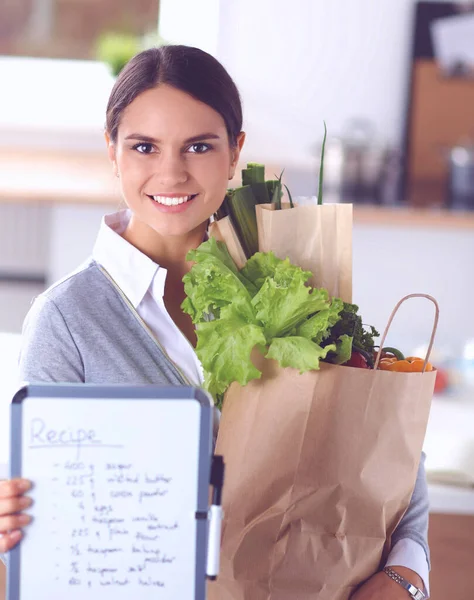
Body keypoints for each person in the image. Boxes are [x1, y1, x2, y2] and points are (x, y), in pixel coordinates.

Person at [0, 45, 430, 599]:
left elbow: (394, 467)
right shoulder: (67, 322)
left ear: (235, 153)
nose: (171, 172)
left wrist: (405, 581)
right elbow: (52, 546)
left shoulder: (293, 285)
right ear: (112, 152)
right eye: (144, 146)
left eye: (199, 146)